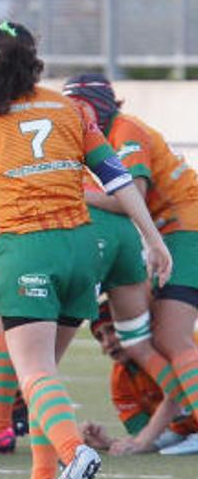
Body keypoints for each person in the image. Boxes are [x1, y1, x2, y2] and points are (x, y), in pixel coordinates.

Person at [0, 21, 171, 479]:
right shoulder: (67, 107)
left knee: (34, 375)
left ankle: (74, 453)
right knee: (45, 375)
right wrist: (153, 238)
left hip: (28, 249)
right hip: (81, 252)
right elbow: (117, 178)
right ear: (35, 59)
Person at [62, 73, 198, 435]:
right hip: (170, 231)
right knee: (142, 339)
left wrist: (68, 194)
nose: (71, 116)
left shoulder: (125, 129)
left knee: (170, 338)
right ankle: (175, 427)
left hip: (185, 228)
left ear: (99, 104)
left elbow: (130, 195)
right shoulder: (98, 139)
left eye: (78, 107)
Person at [80, 301, 198, 456]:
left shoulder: (176, 345)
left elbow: (175, 397)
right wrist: (111, 443)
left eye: (112, 329)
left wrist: (141, 441)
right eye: (99, 337)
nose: (107, 343)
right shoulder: (121, 380)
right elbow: (149, 436)